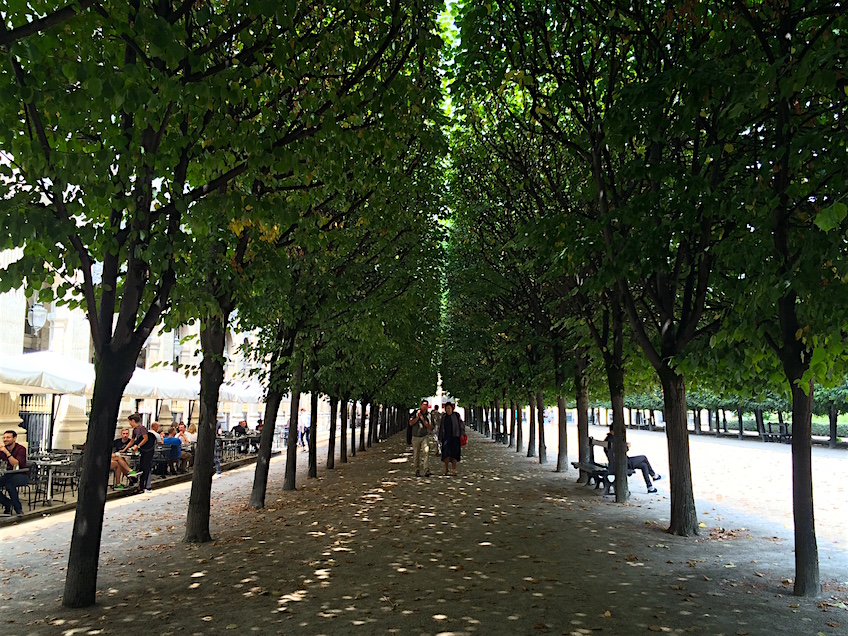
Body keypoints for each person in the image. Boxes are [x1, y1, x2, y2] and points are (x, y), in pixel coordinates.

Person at [604, 426, 662, 493]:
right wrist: (627, 447)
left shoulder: (608, 439)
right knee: (643, 458)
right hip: (623, 463)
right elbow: (621, 451)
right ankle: (654, 475)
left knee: (644, 465)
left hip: (617, 463)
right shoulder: (612, 440)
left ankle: (650, 487)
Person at [121, 413, 156, 493]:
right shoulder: (135, 430)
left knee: (145, 467)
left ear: (133, 421)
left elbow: (145, 438)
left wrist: (138, 446)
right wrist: (125, 449)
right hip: (142, 450)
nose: (129, 423)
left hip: (147, 450)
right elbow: (132, 440)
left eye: (129, 421)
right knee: (141, 466)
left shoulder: (142, 428)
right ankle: (141, 485)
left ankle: (144, 486)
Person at [0, 430, 28, 516]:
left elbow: (16, 463)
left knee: (9, 485)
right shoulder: (1, 450)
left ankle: (18, 509)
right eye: (4, 438)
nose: (5, 439)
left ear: (14, 438)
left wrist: (6, 452)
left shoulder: (21, 449)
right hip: (7, 474)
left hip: (21, 474)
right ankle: (7, 503)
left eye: (8, 437)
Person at [408, 400, 434, 477]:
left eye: (426, 405)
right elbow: (411, 423)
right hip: (415, 437)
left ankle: (426, 470)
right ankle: (417, 470)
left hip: (424, 436)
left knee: (426, 452)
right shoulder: (414, 413)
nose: (425, 406)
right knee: (416, 454)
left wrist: (422, 419)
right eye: (424, 404)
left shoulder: (428, 415)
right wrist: (417, 417)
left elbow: (429, 426)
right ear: (420, 405)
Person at [439, 403, 465, 476]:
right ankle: (446, 469)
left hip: (455, 437)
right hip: (446, 438)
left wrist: (462, 434)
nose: (448, 410)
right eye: (446, 408)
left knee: (454, 454)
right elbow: (441, 427)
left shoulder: (456, 415)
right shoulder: (444, 416)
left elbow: (461, 425)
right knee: (446, 454)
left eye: (449, 408)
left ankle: (453, 470)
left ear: (452, 408)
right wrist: (440, 436)